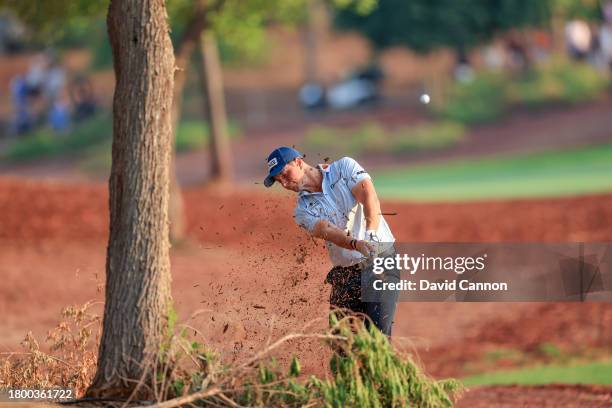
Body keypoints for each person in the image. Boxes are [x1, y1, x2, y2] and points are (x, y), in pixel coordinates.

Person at [263, 147, 400, 336]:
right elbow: (327, 230)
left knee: (378, 336)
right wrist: (356, 244)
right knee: (341, 342)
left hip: (381, 261)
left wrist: (371, 236)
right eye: (279, 181)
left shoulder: (344, 167)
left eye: (285, 174)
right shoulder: (302, 211)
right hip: (346, 273)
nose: (284, 183)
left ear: (298, 162)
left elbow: (369, 196)